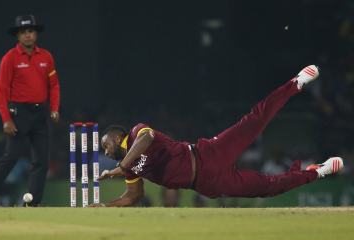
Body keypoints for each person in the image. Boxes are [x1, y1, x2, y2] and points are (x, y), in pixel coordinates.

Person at [91, 65, 344, 207]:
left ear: (115, 138)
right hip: (207, 183)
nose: (105, 152)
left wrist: (120, 168)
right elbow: (134, 196)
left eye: (105, 146)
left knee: (254, 119)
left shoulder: (137, 132)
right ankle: (316, 172)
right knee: (268, 187)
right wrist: (104, 206)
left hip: (206, 154)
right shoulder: (130, 170)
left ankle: (296, 83)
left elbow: (146, 140)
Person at [0, 15, 60, 207]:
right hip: (19, 114)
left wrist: (54, 108)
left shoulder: (46, 57)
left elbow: (53, 86)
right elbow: (1, 91)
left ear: (35, 33)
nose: (27, 35)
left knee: (41, 161)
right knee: (10, 157)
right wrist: (6, 119)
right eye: (23, 32)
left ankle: (33, 203)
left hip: (40, 114)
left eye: (30, 31)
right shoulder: (9, 59)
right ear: (18, 36)